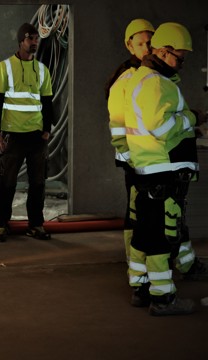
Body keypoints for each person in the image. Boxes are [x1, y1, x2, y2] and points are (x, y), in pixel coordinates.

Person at [124, 22, 208, 316]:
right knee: (161, 238)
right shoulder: (156, 83)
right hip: (163, 170)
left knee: (146, 234)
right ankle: (163, 299)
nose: (182, 63)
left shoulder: (144, 79)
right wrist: (192, 119)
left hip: (150, 170)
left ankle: (142, 288)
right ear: (162, 51)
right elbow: (163, 126)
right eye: (180, 57)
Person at [0, 23, 55, 242]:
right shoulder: (5, 67)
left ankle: (36, 225)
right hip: (12, 135)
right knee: (6, 182)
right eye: (31, 39)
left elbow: (47, 102)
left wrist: (46, 130)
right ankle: (1, 224)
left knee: (38, 183)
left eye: (36, 39)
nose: (34, 42)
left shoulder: (43, 70)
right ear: (21, 41)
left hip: (36, 136)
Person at [106, 18, 154, 307]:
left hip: (151, 160)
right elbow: (118, 123)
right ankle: (137, 273)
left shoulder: (152, 74)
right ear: (129, 45)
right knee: (136, 215)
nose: (147, 47)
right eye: (141, 43)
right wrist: (128, 156)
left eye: (150, 42)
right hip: (136, 160)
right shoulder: (126, 78)